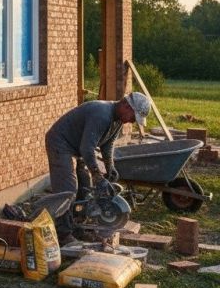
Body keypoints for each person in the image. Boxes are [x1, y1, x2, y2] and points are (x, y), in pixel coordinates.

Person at [45, 92, 151, 244]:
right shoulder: (102, 114)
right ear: (127, 106)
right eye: (133, 117)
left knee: (85, 187)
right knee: (68, 189)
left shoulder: (117, 120)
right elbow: (87, 149)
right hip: (60, 142)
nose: (132, 122)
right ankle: (63, 234)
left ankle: (79, 229)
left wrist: (110, 166)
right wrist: (97, 175)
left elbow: (107, 144)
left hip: (77, 146)